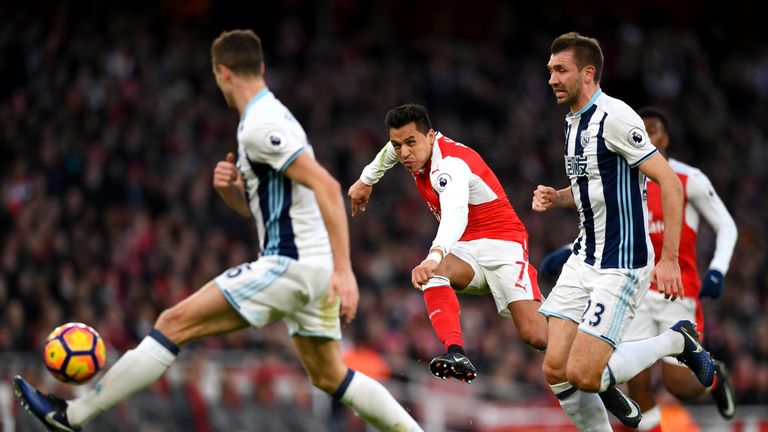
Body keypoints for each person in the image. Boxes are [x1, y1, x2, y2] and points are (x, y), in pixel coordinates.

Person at [13, 29, 422, 432]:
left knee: (172, 324)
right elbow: (266, 209)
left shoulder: (260, 125)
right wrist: (232, 193)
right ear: (260, 67)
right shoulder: (273, 118)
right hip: (309, 268)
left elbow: (329, 188)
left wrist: (344, 271)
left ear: (222, 73)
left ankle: (71, 417)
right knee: (330, 376)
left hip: (292, 265)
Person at [532, 32, 716, 431]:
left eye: (560, 70)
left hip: (622, 263)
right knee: (555, 369)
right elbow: (593, 189)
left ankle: (678, 341)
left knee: (584, 374)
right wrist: (557, 196)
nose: (551, 79)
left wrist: (667, 260)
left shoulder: (616, 117)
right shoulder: (572, 122)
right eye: (549, 71)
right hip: (584, 257)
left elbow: (668, 182)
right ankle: (606, 382)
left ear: (588, 73)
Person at [348, 103, 547, 383]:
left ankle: (585, 349)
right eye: (398, 145)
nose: (404, 152)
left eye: (410, 143)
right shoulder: (411, 149)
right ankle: (455, 352)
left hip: (503, 246)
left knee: (536, 336)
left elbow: (455, 214)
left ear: (430, 136)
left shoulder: (449, 165)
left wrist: (434, 255)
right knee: (434, 273)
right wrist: (366, 180)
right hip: (466, 249)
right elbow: (389, 153)